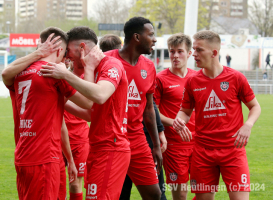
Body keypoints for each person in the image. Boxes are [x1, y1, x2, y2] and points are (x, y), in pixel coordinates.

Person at [40, 26, 131, 200]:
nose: (66, 56)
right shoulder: (91, 70)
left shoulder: (111, 64)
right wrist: (61, 103)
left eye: (68, 51)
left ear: (82, 47)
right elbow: (91, 113)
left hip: (112, 147)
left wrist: (65, 75)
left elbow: (100, 95)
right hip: (97, 146)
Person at [173, 30, 261, 200]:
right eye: (194, 50)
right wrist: (180, 120)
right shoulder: (192, 81)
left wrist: (247, 125)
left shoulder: (236, 78)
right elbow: (185, 111)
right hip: (203, 152)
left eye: (199, 50)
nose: (194, 55)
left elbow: (255, 107)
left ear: (214, 53)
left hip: (233, 150)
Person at [1, 27, 79, 200]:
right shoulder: (54, 74)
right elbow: (89, 103)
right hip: (44, 158)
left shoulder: (20, 73)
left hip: (24, 156)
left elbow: (6, 73)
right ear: (59, 50)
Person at [105, 16, 163, 200]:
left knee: (154, 194)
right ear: (137, 37)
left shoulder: (149, 66)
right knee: (113, 195)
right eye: (151, 34)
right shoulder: (106, 60)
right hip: (110, 138)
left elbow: (149, 109)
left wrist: (155, 145)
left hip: (137, 139)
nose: (154, 39)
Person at [154, 33, 196, 200]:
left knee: (206, 189)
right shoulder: (160, 79)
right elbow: (153, 111)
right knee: (181, 193)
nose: (175, 56)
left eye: (180, 51)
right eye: (172, 52)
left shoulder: (198, 78)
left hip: (199, 143)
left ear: (189, 53)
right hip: (174, 145)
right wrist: (174, 123)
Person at [63, 58, 90, 200]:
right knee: (58, 184)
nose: (67, 60)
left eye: (70, 58)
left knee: (75, 184)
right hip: (58, 139)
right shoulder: (55, 78)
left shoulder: (83, 80)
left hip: (79, 139)